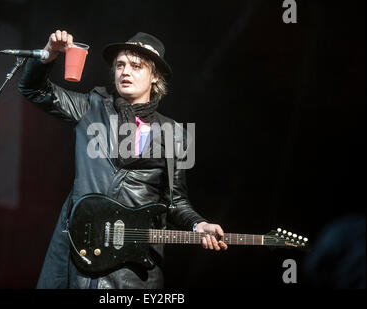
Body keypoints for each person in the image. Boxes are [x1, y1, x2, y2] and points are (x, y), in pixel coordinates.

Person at [18, 30, 228, 289]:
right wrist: (49, 53)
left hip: (132, 270)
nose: (125, 71)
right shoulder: (92, 108)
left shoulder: (175, 134)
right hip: (82, 259)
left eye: (136, 66)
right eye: (120, 65)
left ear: (155, 77)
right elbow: (33, 89)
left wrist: (199, 225)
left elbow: (176, 202)